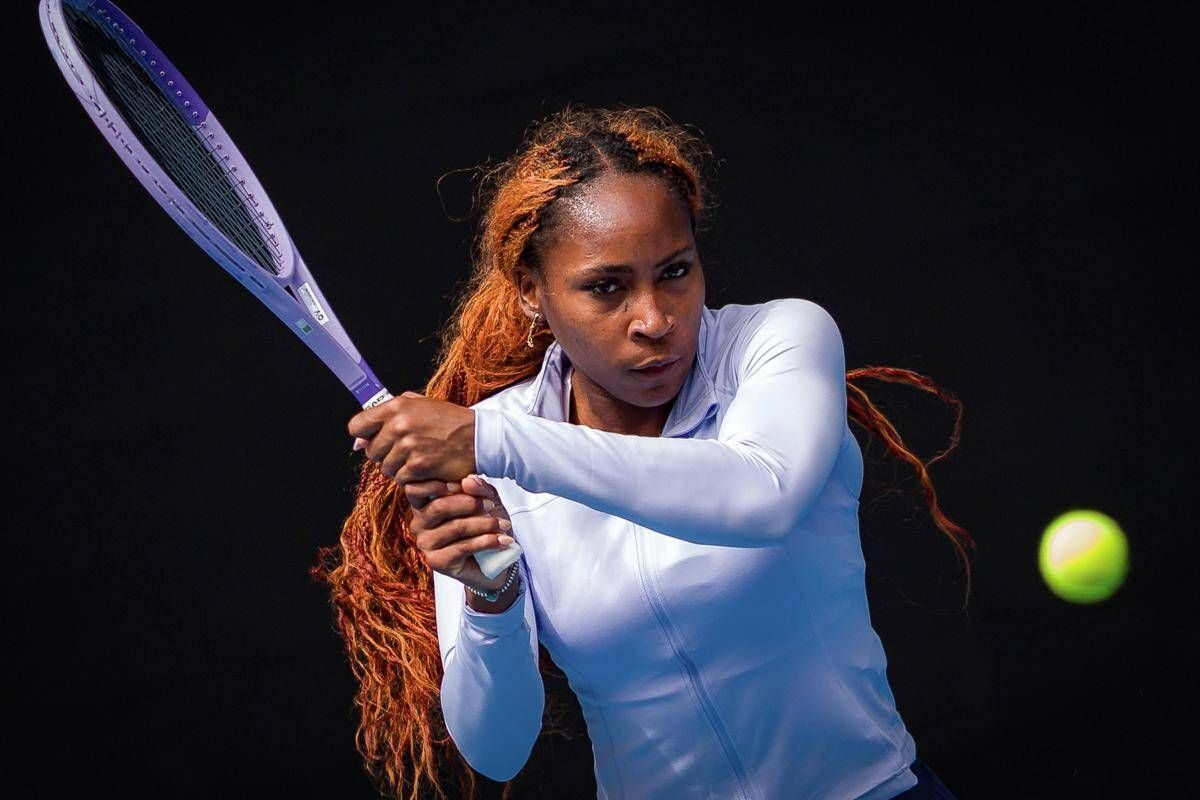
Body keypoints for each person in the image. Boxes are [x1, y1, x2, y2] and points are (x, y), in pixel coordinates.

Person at [316, 104, 972, 800]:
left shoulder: (776, 342)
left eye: (675, 272)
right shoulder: (488, 453)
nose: (655, 320)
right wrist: (492, 596)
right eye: (607, 288)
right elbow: (498, 749)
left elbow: (762, 494)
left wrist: (492, 441)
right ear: (532, 292)